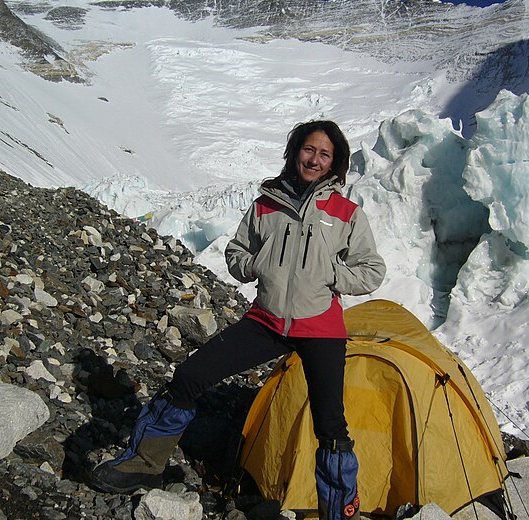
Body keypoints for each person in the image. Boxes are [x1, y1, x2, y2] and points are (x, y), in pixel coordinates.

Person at [91, 120, 386, 519]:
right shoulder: (267, 204)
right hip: (266, 321)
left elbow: (371, 270)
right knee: (191, 375)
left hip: (320, 327)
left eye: (324, 154)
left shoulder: (346, 213)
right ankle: (144, 465)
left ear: (335, 163)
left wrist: (331, 273)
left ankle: (337, 511)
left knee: (330, 426)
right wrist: (255, 265)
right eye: (308, 150)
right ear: (295, 151)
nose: (314, 159)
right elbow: (237, 253)